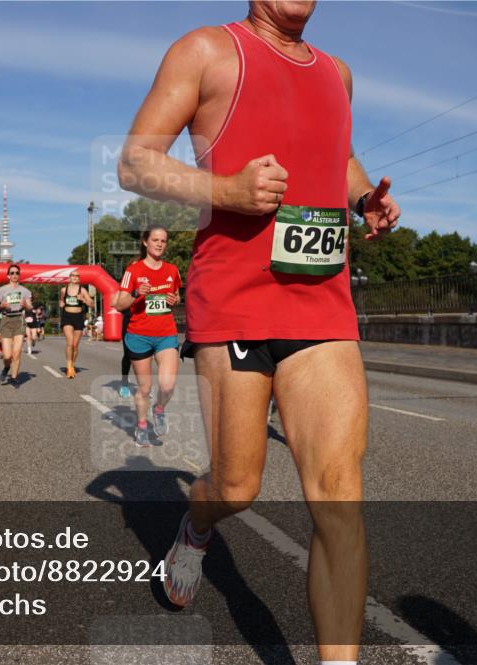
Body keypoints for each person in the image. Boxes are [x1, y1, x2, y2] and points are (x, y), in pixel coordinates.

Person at [117, 3, 401, 662]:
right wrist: (227, 190)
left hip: (323, 302)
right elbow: (136, 161)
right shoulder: (207, 51)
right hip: (236, 300)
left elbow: (343, 155)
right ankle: (196, 523)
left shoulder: (339, 73)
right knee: (237, 486)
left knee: (339, 495)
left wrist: (363, 199)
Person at [114, 226, 181, 447]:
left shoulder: (172, 270)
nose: (160, 244)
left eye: (163, 240)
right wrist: (135, 294)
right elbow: (119, 303)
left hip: (166, 334)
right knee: (144, 388)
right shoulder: (133, 271)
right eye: (155, 240)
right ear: (145, 242)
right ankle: (142, 425)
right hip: (139, 334)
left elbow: (177, 295)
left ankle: (159, 409)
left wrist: (174, 300)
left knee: (168, 384)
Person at [0, 264, 33, 386]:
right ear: (8, 275)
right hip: (6, 319)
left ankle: (14, 378)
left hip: (19, 319)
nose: (15, 275)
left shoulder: (25, 291)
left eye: (17, 273)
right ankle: (6, 368)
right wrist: (2, 306)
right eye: (12, 273)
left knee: (17, 353)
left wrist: (25, 305)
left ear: (19, 275)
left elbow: (30, 307)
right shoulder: (2, 290)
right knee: (7, 355)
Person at [58, 269, 94, 378]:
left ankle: (73, 364)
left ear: (79, 279)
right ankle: (69, 366)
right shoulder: (64, 290)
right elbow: (61, 301)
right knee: (70, 342)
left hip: (78, 317)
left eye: (77, 276)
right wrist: (61, 303)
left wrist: (83, 300)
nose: (75, 277)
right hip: (67, 317)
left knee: (75, 345)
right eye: (73, 276)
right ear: (69, 277)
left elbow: (91, 304)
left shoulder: (82, 290)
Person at [110, 292, 135, 399]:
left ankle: (144, 386)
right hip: (130, 323)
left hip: (147, 322)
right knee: (129, 354)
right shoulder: (126, 290)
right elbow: (114, 303)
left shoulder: (149, 285)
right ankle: (124, 383)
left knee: (147, 355)